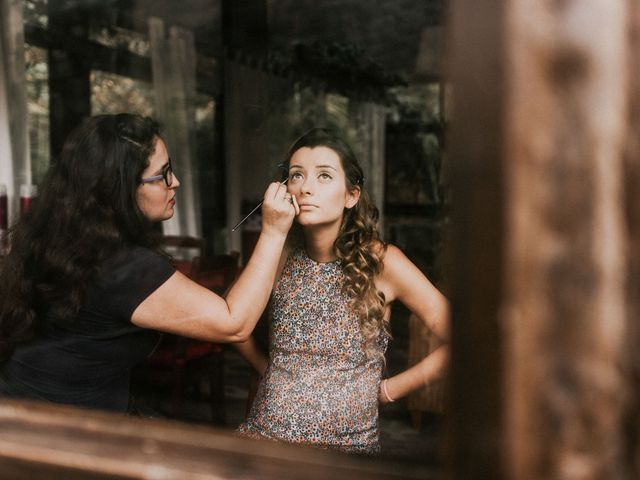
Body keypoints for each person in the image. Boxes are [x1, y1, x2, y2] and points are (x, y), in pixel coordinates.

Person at [0, 113, 297, 413]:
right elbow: (234, 323)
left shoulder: (61, 237)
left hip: (24, 408)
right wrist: (273, 230)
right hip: (57, 429)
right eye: (163, 174)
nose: (176, 182)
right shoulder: (124, 267)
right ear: (121, 188)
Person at [236, 128, 449, 455]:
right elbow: (232, 322)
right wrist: (269, 371)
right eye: (296, 175)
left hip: (346, 453)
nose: (306, 188)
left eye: (324, 176)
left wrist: (389, 390)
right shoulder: (278, 253)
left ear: (352, 195)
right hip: (265, 439)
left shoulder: (383, 262)